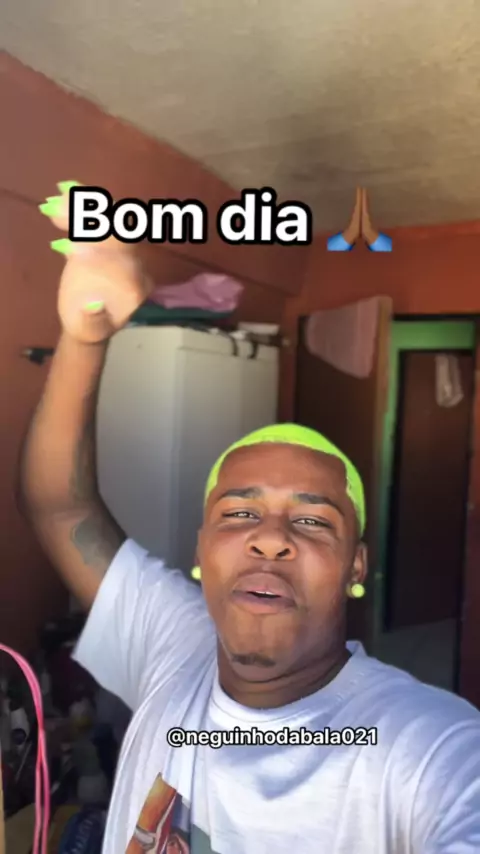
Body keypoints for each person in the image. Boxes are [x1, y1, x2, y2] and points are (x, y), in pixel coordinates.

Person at [19, 190, 480, 853]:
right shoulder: (174, 641)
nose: (270, 538)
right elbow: (60, 507)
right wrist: (85, 339)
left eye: (313, 522)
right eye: (240, 513)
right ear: (201, 551)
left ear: (356, 565)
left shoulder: (430, 748)